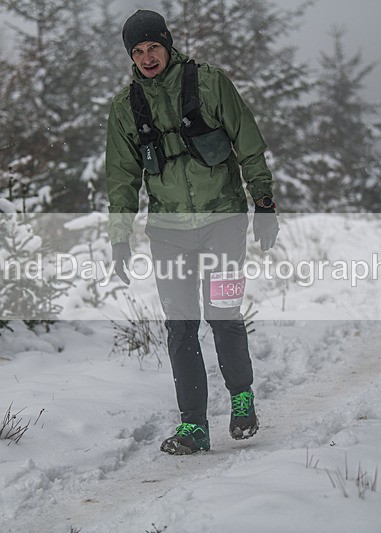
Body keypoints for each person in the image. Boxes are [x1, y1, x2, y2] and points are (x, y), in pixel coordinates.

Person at [105, 10, 279, 455]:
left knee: (223, 314)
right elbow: (121, 178)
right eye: (137, 51)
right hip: (168, 232)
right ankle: (194, 426)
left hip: (224, 222)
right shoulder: (126, 108)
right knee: (181, 328)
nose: (147, 58)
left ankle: (242, 400)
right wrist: (120, 237)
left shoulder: (210, 83)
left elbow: (248, 142)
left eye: (153, 47)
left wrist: (263, 202)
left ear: (167, 45)